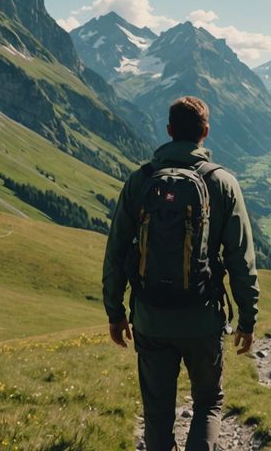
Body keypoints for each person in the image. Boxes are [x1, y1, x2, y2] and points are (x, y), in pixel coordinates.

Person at [101, 96, 260, 451]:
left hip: (150, 318)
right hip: (202, 318)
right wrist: (248, 320)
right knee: (208, 403)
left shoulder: (141, 181)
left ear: (169, 131)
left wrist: (115, 312)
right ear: (205, 132)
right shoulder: (222, 183)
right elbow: (240, 260)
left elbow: (116, 251)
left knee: (157, 413)